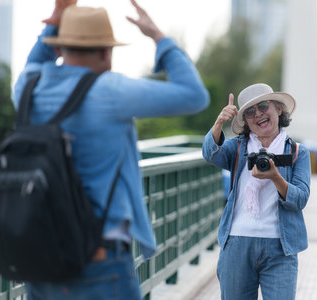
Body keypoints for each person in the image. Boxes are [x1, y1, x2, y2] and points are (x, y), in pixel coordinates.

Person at [13, 0, 209, 299]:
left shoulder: (28, 88)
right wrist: (160, 37)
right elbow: (194, 95)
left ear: (59, 49)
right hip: (99, 259)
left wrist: (55, 23)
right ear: (106, 52)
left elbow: (34, 64)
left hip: (39, 254)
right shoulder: (110, 91)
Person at [202, 83, 310, 300]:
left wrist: (275, 177)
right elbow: (209, 154)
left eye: (263, 106)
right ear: (246, 122)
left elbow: (300, 199)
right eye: (250, 112)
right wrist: (219, 122)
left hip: (281, 247)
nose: (258, 114)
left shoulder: (297, 152)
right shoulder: (238, 148)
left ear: (278, 109)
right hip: (237, 242)